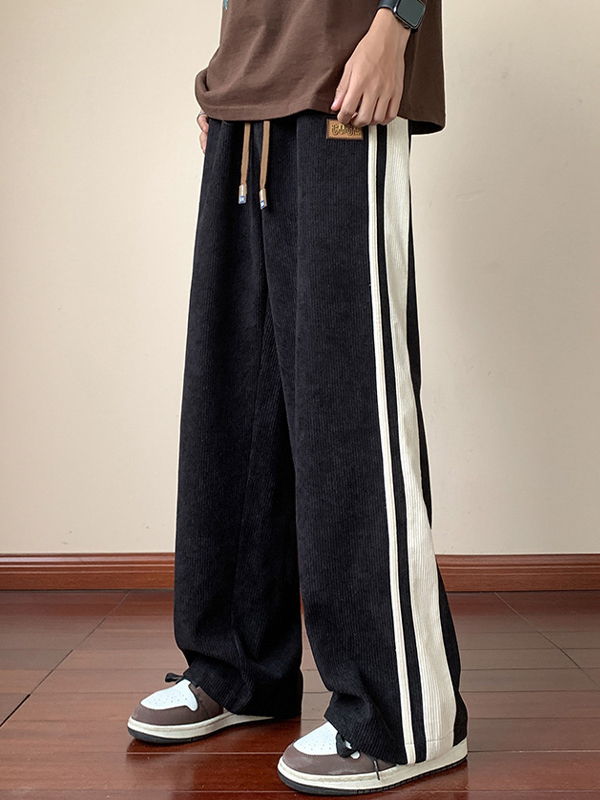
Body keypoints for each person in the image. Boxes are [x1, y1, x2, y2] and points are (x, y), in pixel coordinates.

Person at [127, 0, 469, 793]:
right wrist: (231, 71)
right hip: (246, 92)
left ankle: (402, 716)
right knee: (231, 397)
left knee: (348, 400)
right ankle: (237, 668)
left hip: (349, 76)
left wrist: (397, 24)